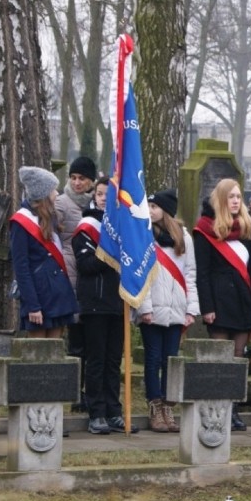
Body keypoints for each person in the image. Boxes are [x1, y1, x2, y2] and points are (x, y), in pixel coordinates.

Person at [195, 179, 251, 432]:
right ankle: (215, 409)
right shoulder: (204, 230)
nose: (235, 201)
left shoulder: (245, 229)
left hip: (243, 301)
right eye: (231, 196)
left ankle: (233, 409)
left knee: (238, 357)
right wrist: (207, 307)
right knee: (219, 360)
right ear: (221, 200)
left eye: (238, 196)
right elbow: (203, 273)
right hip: (219, 303)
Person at [72, 177, 136, 435]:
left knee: (113, 361)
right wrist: (111, 251)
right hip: (95, 302)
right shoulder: (87, 227)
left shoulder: (125, 228)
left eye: (108, 195)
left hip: (119, 302)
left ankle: (114, 410)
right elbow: (86, 265)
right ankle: (95, 412)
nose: (103, 198)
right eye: (99, 194)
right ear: (94, 196)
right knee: (96, 360)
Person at [137, 189, 200, 433]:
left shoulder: (184, 237)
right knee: (153, 360)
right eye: (149, 206)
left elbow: (190, 274)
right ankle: (155, 407)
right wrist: (145, 308)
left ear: (166, 210)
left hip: (177, 308)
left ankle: (168, 406)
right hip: (152, 309)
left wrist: (191, 309)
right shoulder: (144, 236)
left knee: (170, 360)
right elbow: (141, 276)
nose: (150, 211)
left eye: (154, 207)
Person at [10, 166, 78, 338]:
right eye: (52, 189)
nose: (56, 193)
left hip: (58, 293)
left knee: (56, 357)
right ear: (43, 194)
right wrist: (32, 305)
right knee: (37, 357)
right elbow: (21, 268)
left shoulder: (51, 217)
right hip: (39, 296)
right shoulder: (21, 222)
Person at [56, 155, 97, 413]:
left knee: (89, 340)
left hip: (91, 277)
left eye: (82, 178)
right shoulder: (62, 202)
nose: (77, 182)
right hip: (70, 273)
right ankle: (74, 392)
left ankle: (89, 391)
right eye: (73, 178)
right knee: (76, 342)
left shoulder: (95, 203)